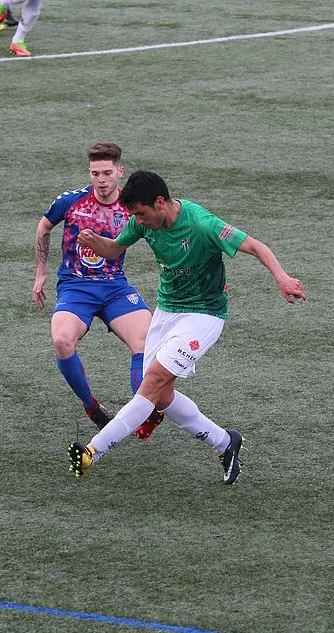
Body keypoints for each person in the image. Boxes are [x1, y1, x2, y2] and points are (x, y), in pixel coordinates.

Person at [70, 170, 307, 485]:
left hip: (203, 315)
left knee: (151, 383)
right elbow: (113, 249)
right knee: (161, 397)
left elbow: (254, 246)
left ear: (160, 203)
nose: (138, 221)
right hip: (166, 311)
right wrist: (94, 241)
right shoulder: (143, 223)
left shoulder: (202, 224)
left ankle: (92, 452)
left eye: (141, 214)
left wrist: (282, 277)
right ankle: (225, 442)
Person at [34, 143, 165, 437]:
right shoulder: (71, 201)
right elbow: (43, 227)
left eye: (107, 173)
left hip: (115, 287)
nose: (101, 180)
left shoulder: (131, 207)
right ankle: (91, 406)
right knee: (62, 341)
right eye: (95, 173)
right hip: (75, 288)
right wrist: (40, 274)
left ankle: (145, 412)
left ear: (120, 171)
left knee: (147, 344)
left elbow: (162, 231)